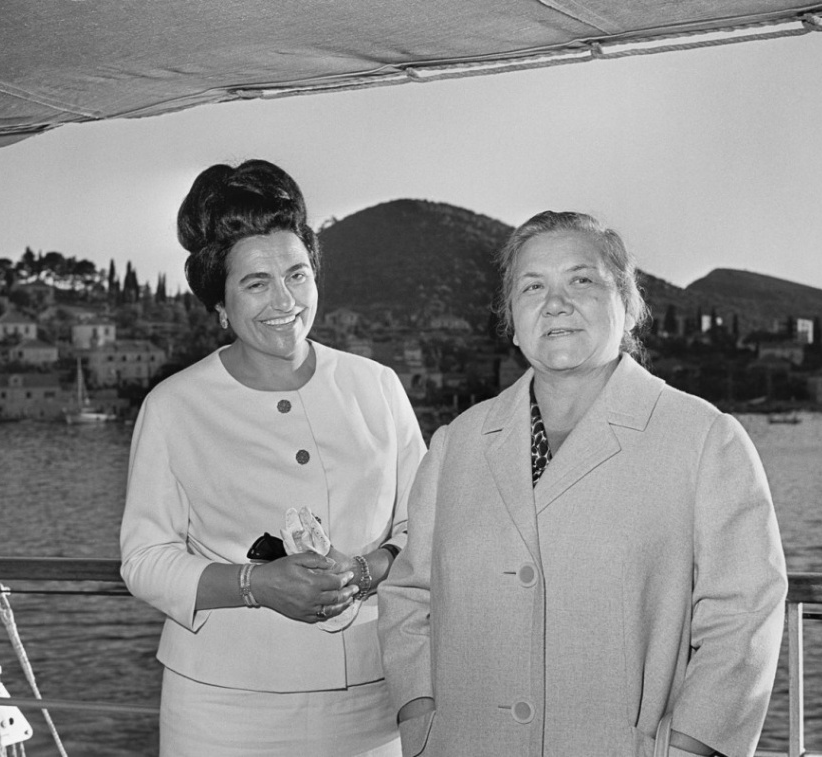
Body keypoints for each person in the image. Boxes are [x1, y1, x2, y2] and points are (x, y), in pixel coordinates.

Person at [378, 211, 787, 757]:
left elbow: (743, 621)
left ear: (628, 301)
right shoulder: (458, 444)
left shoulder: (705, 440)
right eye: (532, 287)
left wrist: (690, 750)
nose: (556, 303)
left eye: (581, 280)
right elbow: (409, 598)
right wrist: (421, 722)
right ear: (511, 317)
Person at [120, 159, 426, 756]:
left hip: (370, 701)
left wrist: (364, 572)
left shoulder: (378, 386)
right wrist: (255, 585)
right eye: (256, 283)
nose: (285, 300)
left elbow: (427, 529)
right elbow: (144, 560)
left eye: (297, 274)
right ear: (220, 305)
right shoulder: (174, 405)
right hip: (221, 707)